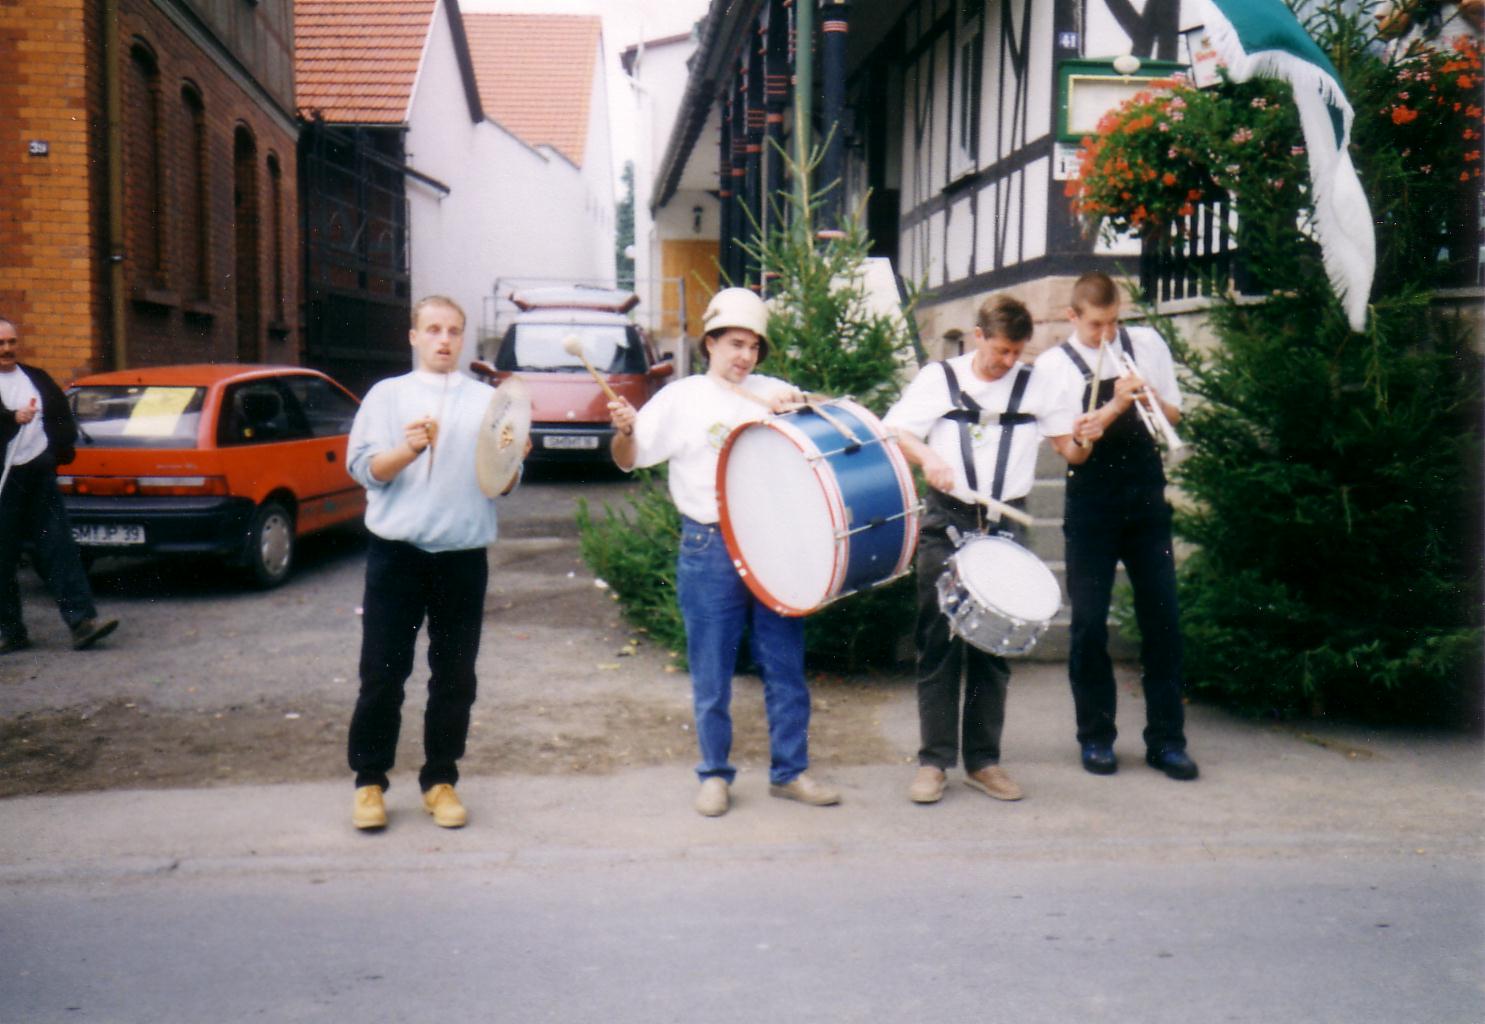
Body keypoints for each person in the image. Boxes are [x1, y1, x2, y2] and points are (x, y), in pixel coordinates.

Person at [607, 287, 841, 818]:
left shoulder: (774, 391)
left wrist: (804, 406)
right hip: (709, 544)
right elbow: (628, 457)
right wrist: (623, 431)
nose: (745, 356)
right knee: (711, 671)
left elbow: (832, 419)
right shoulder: (681, 398)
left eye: (754, 346)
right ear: (710, 343)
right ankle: (714, 774)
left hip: (774, 545)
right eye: (735, 343)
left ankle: (790, 772)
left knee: (785, 665)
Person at [884, 294, 1096, 805]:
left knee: (995, 646)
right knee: (938, 641)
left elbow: (1071, 451)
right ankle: (934, 763)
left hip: (1004, 526)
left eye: (1017, 353)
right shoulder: (940, 379)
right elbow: (895, 430)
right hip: (948, 520)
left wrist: (1087, 438)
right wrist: (928, 456)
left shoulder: (1037, 385)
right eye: (1001, 350)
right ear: (978, 336)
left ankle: (983, 762)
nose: (1008, 361)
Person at [345, 295, 524, 831]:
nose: (444, 340)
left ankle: (440, 780)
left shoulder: (487, 401)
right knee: (382, 673)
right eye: (433, 329)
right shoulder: (387, 395)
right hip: (396, 555)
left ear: (463, 338)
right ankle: (369, 782)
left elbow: (501, 484)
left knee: (455, 676)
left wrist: (514, 459)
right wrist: (408, 450)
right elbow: (364, 470)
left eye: (453, 331)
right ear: (414, 336)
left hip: (462, 556)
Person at [1034, 271, 1199, 781]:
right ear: (1073, 317)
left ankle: (1167, 741)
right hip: (1092, 503)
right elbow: (1073, 452)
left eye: (1114, 322)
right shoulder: (1054, 367)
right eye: (1096, 325)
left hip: (1146, 497)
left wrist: (1149, 398)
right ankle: (1096, 737)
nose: (1107, 334)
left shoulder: (1146, 344)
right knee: (1087, 624)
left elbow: (1174, 414)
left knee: (1163, 619)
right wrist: (1115, 407)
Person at [0, 316, 119, 655]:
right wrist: (11, 418)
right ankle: (11, 630)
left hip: (38, 474)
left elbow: (61, 417)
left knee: (59, 547)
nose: (7, 349)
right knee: (2, 556)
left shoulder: (36, 377)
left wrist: (54, 454)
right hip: (4, 481)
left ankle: (82, 623)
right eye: (0, 344)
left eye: (11, 342)